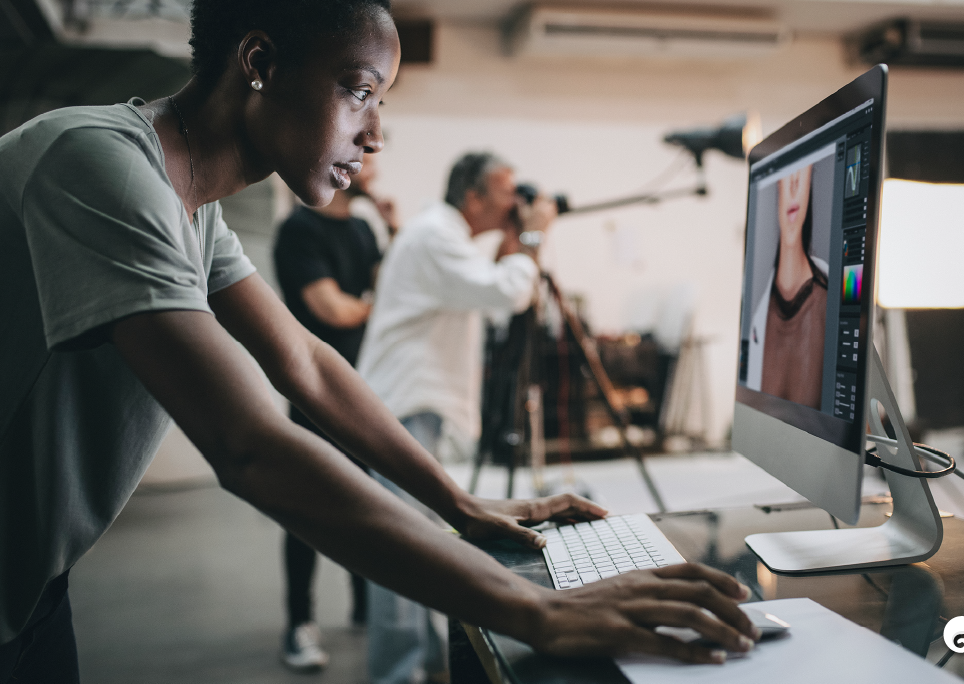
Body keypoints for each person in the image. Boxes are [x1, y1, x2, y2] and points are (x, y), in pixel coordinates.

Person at [0, 2, 759, 682]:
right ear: (259, 63)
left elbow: (307, 366)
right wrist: (536, 611)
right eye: (360, 91)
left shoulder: (192, 212)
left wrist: (459, 504)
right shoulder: (95, 164)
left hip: (33, 584)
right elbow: (246, 445)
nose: (376, 134)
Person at [353, 151, 558, 684]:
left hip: (411, 406)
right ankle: (397, 675)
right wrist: (534, 239)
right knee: (402, 549)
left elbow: (496, 295)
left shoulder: (442, 236)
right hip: (404, 407)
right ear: (473, 198)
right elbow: (506, 292)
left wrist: (519, 243)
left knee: (417, 542)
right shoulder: (434, 237)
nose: (517, 202)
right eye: (507, 191)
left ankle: (421, 666)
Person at [273, 183, 381, 671]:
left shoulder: (363, 228)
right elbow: (332, 309)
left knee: (369, 499)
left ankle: (366, 606)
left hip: (365, 387)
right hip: (315, 391)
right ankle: (299, 623)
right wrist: (373, 305)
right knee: (309, 508)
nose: (372, 155)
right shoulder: (299, 229)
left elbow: (385, 284)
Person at [746, 164, 829, 409]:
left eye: (802, 173)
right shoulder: (757, 312)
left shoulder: (831, 306)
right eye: (786, 176)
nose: (794, 185)